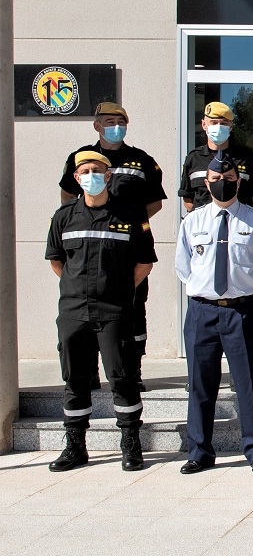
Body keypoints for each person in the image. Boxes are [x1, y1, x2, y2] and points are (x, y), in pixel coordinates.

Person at [45, 151, 156, 472]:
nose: (91, 174)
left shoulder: (130, 215)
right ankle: (75, 446)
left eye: (97, 170)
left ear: (108, 176)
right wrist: (78, 289)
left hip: (114, 312)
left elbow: (144, 262)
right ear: (76, 178)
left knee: (122, 378)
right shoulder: (63, 216)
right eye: (84, 170)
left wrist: (119, 292)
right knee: (75, 379)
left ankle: (131, 445)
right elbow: (57, 260)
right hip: (73, 312)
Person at [175, 152, 253, 475]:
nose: (224, 184)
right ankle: (199, 452)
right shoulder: (192, 223)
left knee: (249, 383)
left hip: (242, 312)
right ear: (207, 183)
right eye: (217, 180)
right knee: (199, 384)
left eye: (230, 179)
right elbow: (183, 267)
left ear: (239, 181)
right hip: (201, 312)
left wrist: (242, 288)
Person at [59, 102, 166, 393]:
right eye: (108, 121)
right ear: (96, 124)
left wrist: (125, 224)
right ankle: (89, 372)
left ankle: (133, 369)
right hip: (87, 248)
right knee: (84, 315)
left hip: (127, 249)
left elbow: (154, 202)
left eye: (120, 121)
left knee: (134, 311)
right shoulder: (79, 158)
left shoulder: (142, 160)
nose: (115, 126)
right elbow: (68, 195)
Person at [178, 101, 253, 212]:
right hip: (204, 227)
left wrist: (248, 220)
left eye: (224, 123)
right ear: (204, 125)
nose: (219, 127)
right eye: (214, 122)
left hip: (239, 225)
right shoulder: (193, 159)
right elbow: (187, 199)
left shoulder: (246, 158)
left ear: (231, 126)